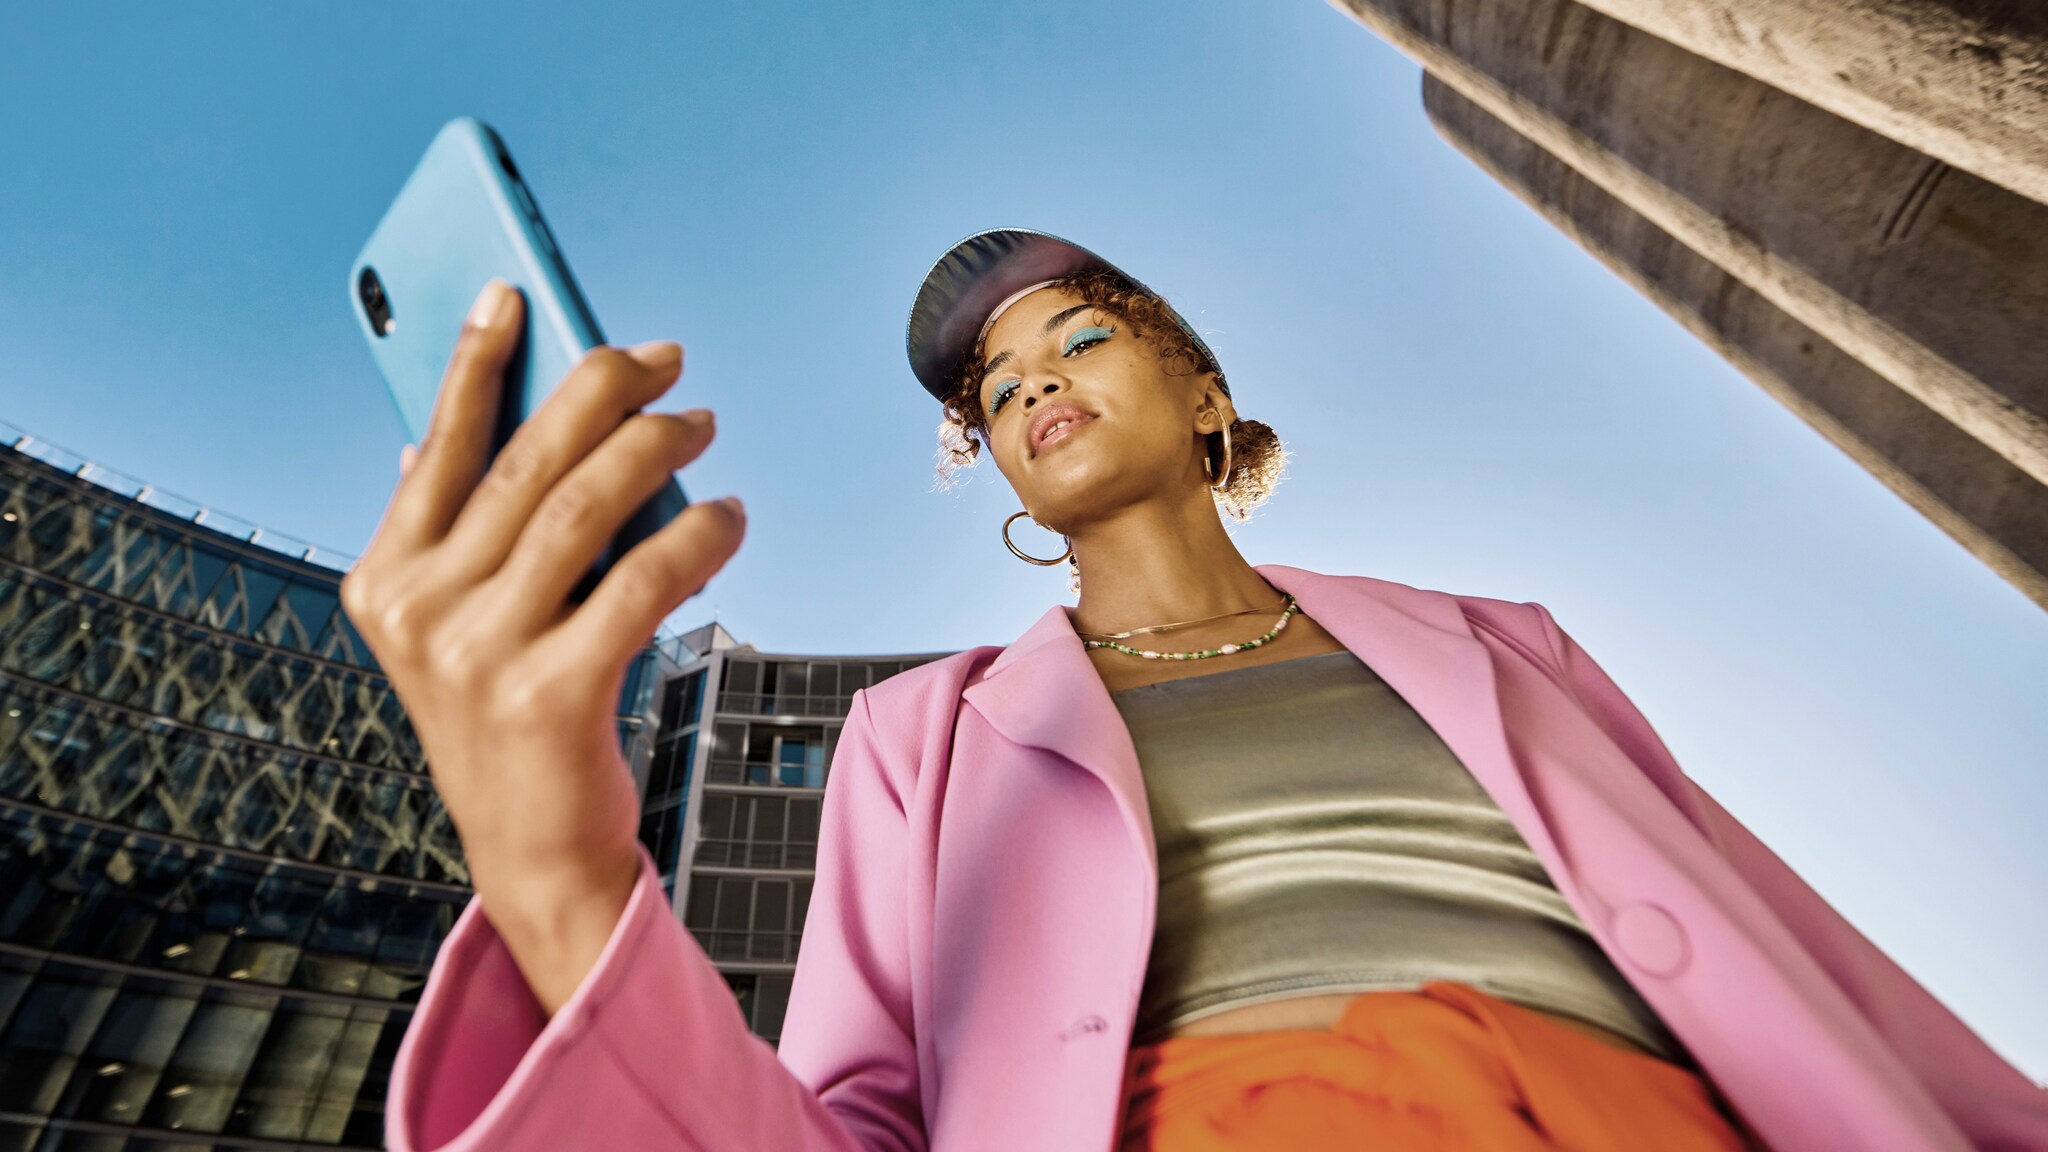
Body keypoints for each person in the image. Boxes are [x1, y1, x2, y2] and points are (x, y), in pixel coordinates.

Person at [347, 230, 2047, 1152]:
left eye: (1080, 338)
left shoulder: (1505, 639)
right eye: (996, 389)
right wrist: (559, 887)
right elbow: (858, 1133)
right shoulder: (917, 740)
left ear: (1203, 392)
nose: (1033, 384)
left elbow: (1802, 960)